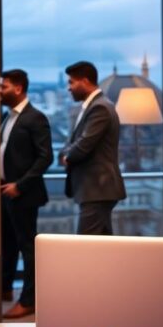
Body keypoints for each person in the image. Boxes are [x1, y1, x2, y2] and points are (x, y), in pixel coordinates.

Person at [0, 69, 53, 319]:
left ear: (18, 89)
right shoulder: (8, 118)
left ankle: (29, 301)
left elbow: (45, 157)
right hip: (5, 190)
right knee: (6, 244)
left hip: (23, 193)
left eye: (4, 86)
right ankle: (4, 289)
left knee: (27, 248)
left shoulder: (35, 117)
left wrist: (20, 185)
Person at [60, 60, 126, 235]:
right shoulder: (92, 106)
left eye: (71, 82)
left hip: (98, 189)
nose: (69, 88)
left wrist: (67, 157)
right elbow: (74, 140)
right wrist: (66, 152)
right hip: (96, 189)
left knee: (86, 246)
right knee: (100, 245)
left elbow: (84, 144)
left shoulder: (100, 108)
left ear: (85, 81)